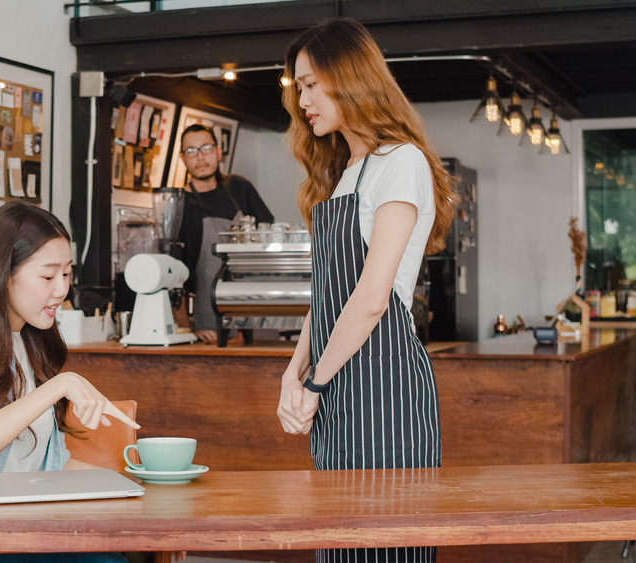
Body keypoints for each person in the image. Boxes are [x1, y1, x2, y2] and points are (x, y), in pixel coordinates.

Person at [275, 18, 456, 563]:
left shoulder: (399, 163)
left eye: (310, 83)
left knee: (383, 541)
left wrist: (316, 380)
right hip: (336, 378)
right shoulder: (345, 171)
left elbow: (373, 297)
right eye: (298, 87)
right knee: (340, 540)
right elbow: (328, 292)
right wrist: (294, 370)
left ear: (348, 76)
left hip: (383, 384)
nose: (302, 99)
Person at [0, 201, 139, 563]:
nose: (62, 289)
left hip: (31, 526)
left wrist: (140, 486)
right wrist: (57, 387)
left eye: (66, 274)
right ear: (3, 273)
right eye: (48, 277)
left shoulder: (33, 337)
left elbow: (51, 465)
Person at [176, 124, 274, 344]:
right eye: (191, 151)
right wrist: (186, 329)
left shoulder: (240, 188)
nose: (200, 157)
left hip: (255, 310)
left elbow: (268, 238)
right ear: (183, 158)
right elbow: (176, 275)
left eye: (206, 148)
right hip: (210, 322)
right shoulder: (182, 205)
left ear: (219, 152)